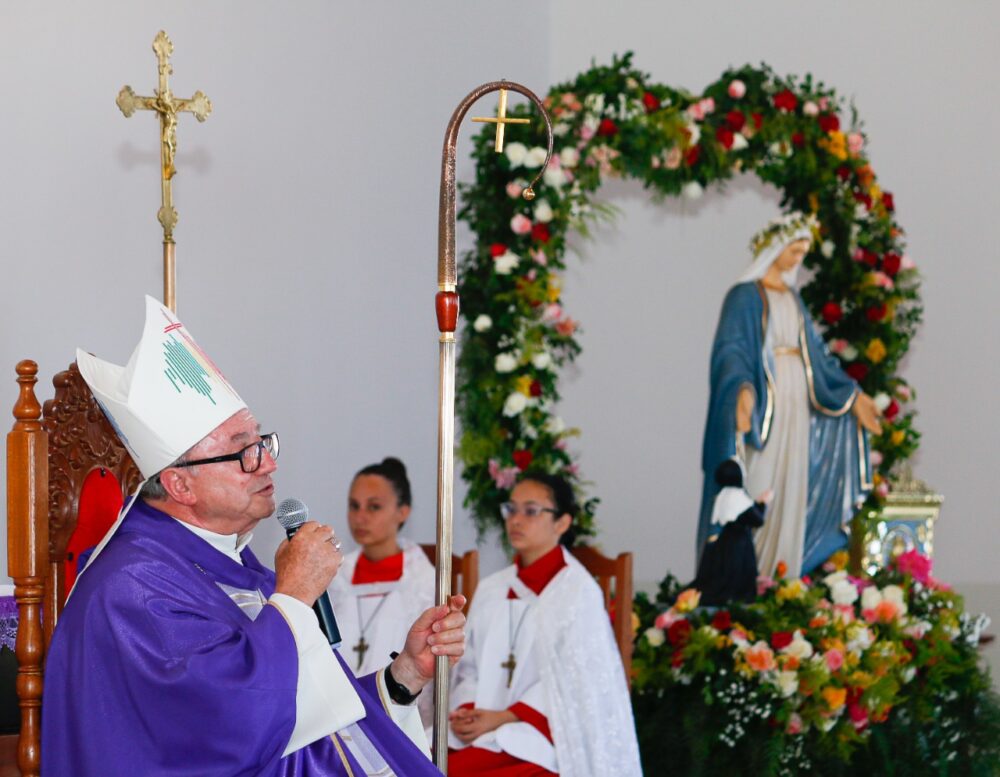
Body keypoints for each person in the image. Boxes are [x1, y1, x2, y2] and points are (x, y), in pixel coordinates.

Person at [41, 296, 466, 776]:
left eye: (261, 441)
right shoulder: (132, 589)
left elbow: (310, 722)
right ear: (180, 484)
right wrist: (295, 594)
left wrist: (404, 675)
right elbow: (232, 730)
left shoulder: (235, 566)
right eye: (243, 452)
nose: (268, 462)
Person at [698, 213, 882, 580]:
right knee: (759, 477)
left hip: (797, 398)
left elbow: (818, 357)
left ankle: (783, 574)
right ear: (775, 248)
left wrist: (853, 396)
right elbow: (731, 351)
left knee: (792, 483)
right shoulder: (744, 296)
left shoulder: (794, 299)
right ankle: (747, 574)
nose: (799, 258)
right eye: (794, 250)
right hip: (767, 402)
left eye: (803, 252)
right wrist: (741, 392)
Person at [447, 472, 642, 777]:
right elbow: (468, 664)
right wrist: (468, 709)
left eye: (531, 511)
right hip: (477, 729)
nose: (516, 520)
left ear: (562, 523)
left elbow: (576, 682)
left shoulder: (577, 592)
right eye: (511, 509)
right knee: (408, 760)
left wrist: (505, 717)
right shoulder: (492, 588)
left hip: (538, 734)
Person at [330, 457, 436, 731]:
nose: (360, 517)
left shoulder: (424, 583)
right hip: (335, 720)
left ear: (403, 512)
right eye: (354, 506)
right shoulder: (332, 575)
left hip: (399, 721)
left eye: (374, 507)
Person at [690, 458, 770, 606]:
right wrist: (763, 503)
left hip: (727, 539)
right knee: (739, 575)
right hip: (740, 542)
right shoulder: (737, 497)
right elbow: (757, 520)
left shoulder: (724, 496)